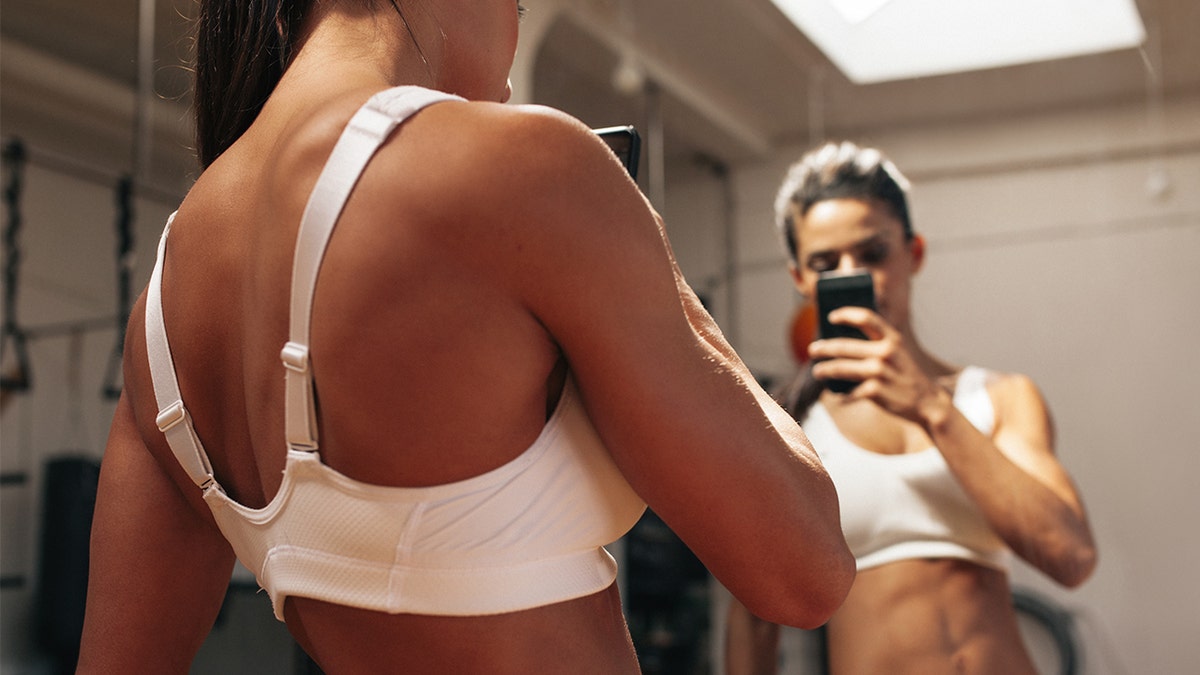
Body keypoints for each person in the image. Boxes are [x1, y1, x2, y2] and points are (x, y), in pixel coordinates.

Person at [76, 1, 856, 672]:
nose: (511, 64)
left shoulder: (162, 312)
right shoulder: (528, 169)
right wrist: (649, 257)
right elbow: (808, 570)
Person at [725, 141, 1098, 675]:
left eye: (873, 254)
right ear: (801, 280)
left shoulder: (999, 397)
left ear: (913, 253)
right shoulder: (787, 427)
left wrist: (931, 407)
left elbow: (1071, 556)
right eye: (826, 264)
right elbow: (753, 618)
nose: (856, 277)